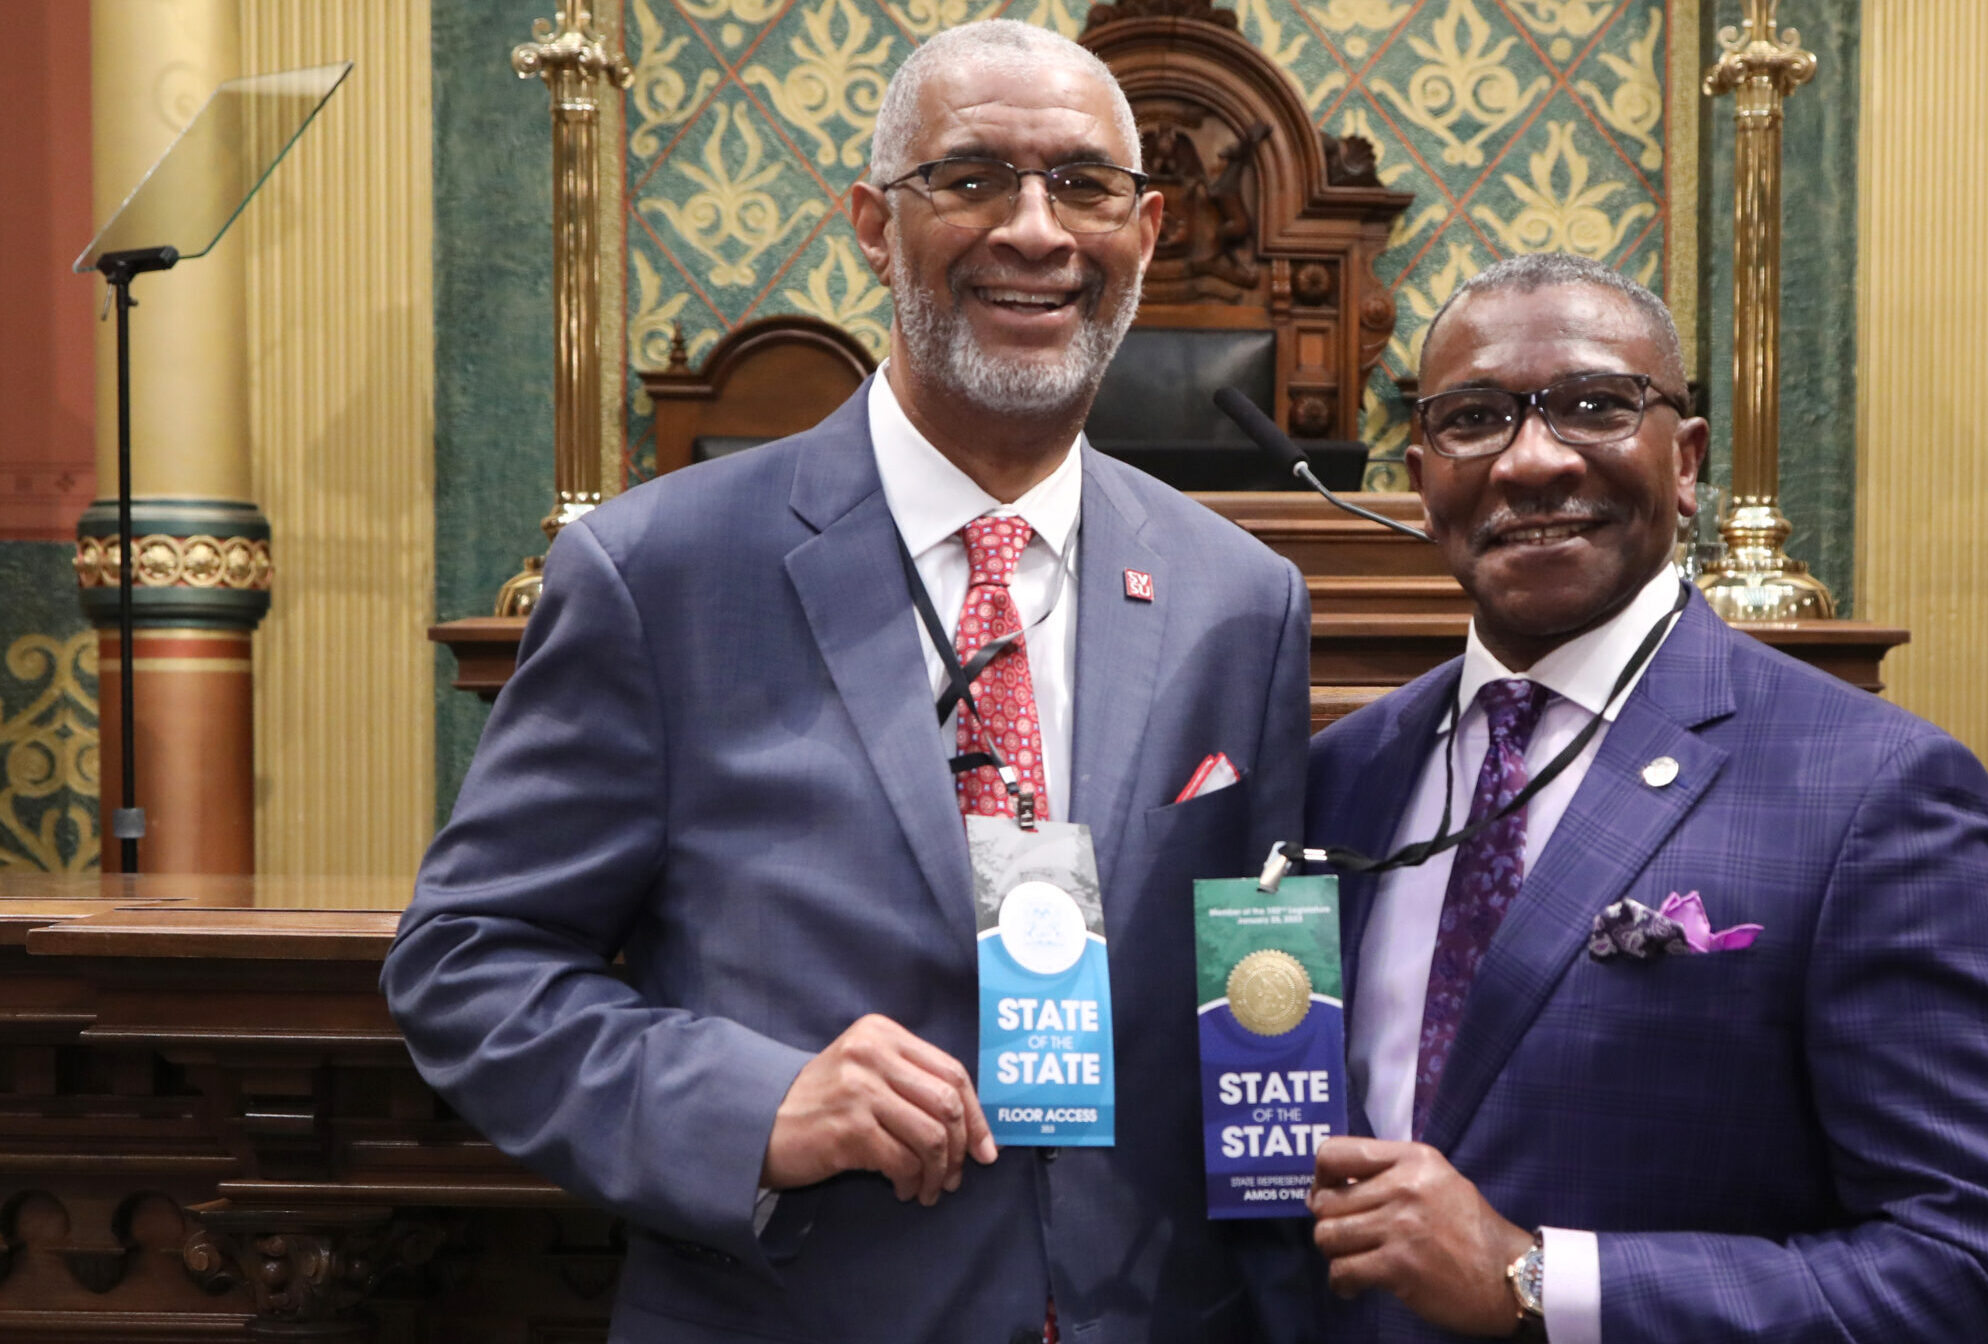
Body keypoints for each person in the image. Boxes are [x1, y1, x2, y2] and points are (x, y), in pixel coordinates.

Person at [383, 20, 1312, 1344]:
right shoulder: (659, 572)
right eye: (975, 177)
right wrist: (748, 1105)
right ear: (874, 226)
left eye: (1085, 185)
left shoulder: (1242, 596)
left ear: (1149, 229)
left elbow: (1257, 994)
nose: (1036, 230)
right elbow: (471, 962)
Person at [1301, 253, 1988, 1343]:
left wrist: (1541, 1282)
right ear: (1420, 473)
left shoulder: (1870, 791)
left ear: (1684, 462)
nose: (1529, 460)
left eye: (1592, 407)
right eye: (1473, 418)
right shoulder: (1343, 777)